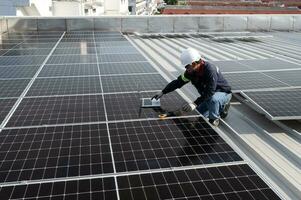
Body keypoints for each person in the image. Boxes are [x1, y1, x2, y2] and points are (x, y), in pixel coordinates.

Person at [152, 48, 232, 126]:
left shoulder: (210, 70)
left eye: (187, 66)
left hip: (223, 92)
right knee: (200, 113)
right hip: (207, 96)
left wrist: (195, 103)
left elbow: (210, 91)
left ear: (194, 63)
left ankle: (215, 118)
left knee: (213, 100)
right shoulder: (190, 73)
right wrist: (163, 91)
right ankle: (218, 108)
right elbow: (178, 82)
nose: (186, 68)